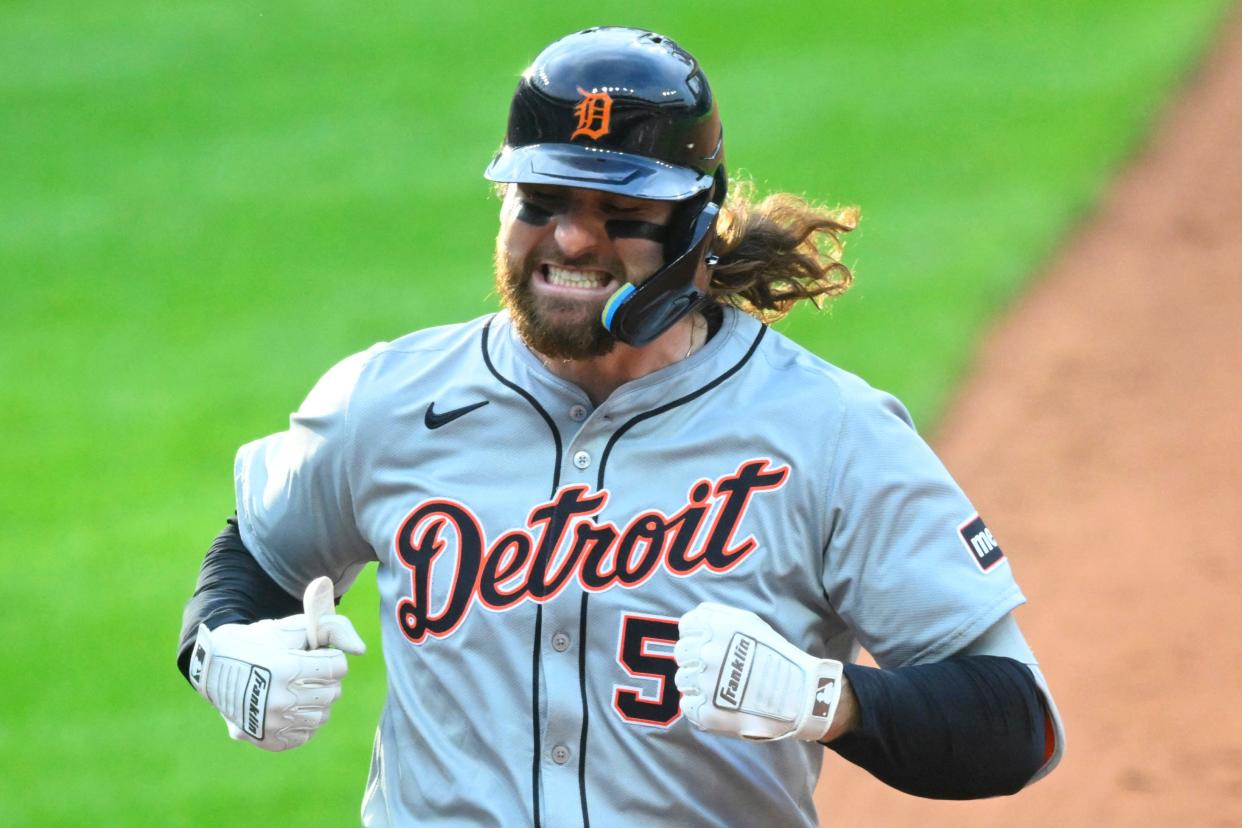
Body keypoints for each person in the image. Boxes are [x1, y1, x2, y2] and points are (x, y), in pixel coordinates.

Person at [178, 26, 1064, 826]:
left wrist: (825, 700)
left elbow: (1015, 723)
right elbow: (256, 556)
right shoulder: (389, 401)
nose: (569, 240)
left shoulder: (828, 435)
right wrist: (224, 649)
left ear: (697, 228)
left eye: (621, 214)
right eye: (539, 202)